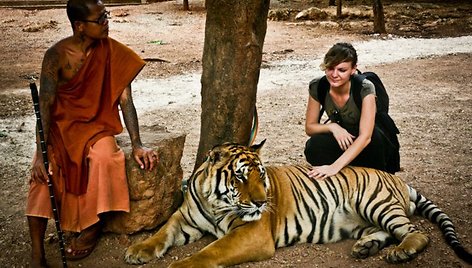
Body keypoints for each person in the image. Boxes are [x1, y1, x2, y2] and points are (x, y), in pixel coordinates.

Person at [26, 0, 158, 266]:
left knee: (107, 158)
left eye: (106, 15)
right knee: (43, 176)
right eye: (100, 19)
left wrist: (137, 144)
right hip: (62, 131)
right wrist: (41, 153)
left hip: (97, 127)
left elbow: (125, 100)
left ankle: (92, 226)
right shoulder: (57, 56)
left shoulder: (111, 50)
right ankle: (37, 252)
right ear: (80, 26)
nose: (107, 22)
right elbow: (46, 106)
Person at [304, 42, 394, 180]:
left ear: (353, 69)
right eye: (330, 68)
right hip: (344, 138)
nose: (334, 74)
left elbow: (366, 137)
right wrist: (333, 127)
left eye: (342, 70)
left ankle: (376, 179)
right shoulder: (318, 86)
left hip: (370, 144)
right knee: (314, 146)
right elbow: (310, 128)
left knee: (375, 139)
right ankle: (343, 181)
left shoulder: (365, 88)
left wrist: (334, 166)